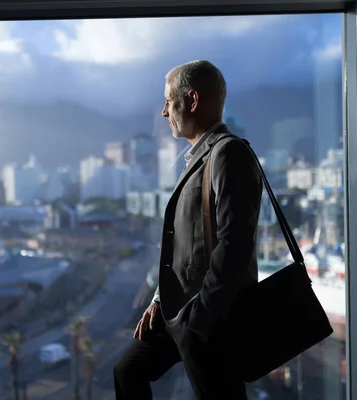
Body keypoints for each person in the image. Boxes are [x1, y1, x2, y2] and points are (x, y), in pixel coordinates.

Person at [113, 60, 263, 399]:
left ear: (192, 100)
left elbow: (234, 243)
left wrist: (200, 319)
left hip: (210, 318)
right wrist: (158, 298)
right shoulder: (195, 158)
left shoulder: (229, 154)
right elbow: (182, 240)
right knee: (127, 371)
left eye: (169, 101)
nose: (164, 112)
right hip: (180, 311)